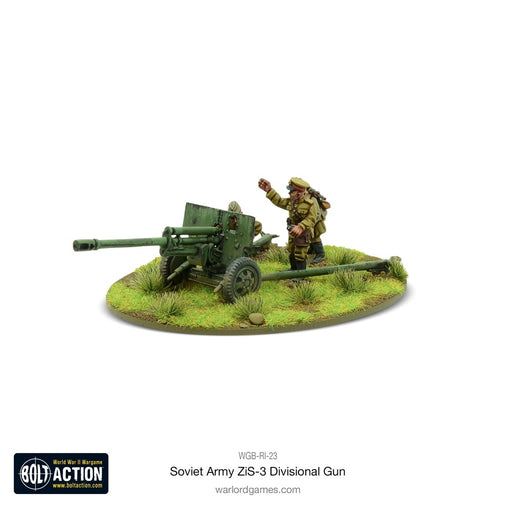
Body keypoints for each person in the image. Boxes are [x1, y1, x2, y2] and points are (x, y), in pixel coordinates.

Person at [258, 177, 317, 272]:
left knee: (300, 253)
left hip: (303, 233)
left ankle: (301, 274)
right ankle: (293, 269)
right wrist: (269, 190)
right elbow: (279, 201)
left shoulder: (310, 204)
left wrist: (301, 226)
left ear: (299, 193)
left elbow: (312, 219)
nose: (289, 193)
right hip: (292, 231)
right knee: (291, 250)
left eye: (292, 191)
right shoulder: (291, 202)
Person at [305, 187, 330, 264]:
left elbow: (317, 214)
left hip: (317, 222)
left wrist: (311, 222)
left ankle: (320, 254)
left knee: (315, 237)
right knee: (310, 236)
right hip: (312, 221)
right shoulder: (306, 198)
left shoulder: (312, 199)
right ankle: (312, 250)